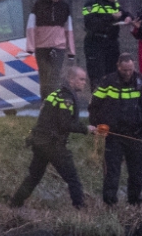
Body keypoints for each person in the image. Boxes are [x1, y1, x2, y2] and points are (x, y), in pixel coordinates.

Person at [9, 66, 96, 210]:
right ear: (70, 79)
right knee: (72, 178)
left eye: (84, 80)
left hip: (39, 142)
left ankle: (15, 203)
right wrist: (86, 129)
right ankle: (80, 208)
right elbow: (65, 124)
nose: (84, 83)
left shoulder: (55, 94)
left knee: (34, 177)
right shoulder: (67, 98)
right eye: (81, 79)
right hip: (53, 144)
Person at [89, 53, 142, 207]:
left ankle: (134, 202)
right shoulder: (108, 82)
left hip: (136, 135)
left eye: (130, 70)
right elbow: (94, 106)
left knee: (137, 172)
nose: (127, 73)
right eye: (124, 70)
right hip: (114, 135)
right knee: (112, 172)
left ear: (134, 67)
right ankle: (110, 203)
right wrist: (97, 125)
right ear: (118, 67)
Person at [27, 0, 75, 99]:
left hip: (58, 47)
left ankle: (52, 103)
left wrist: (71, 51)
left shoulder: (65, 7)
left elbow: (69, 30)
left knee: (54, 76)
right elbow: (31, 27)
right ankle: (45, 104)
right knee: (44, 76)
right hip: (41, 47)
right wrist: (30, 47)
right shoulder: (39, 5)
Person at [82, 0, 131, 87]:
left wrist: (128, 17)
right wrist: (111, 17)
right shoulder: (91, 4)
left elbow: (124, 13)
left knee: (113, 75)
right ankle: (97, 102)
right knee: (97, 77)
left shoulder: (114, 4)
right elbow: (90, 24)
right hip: (95, 43)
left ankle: (111, 102)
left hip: (111, 43)